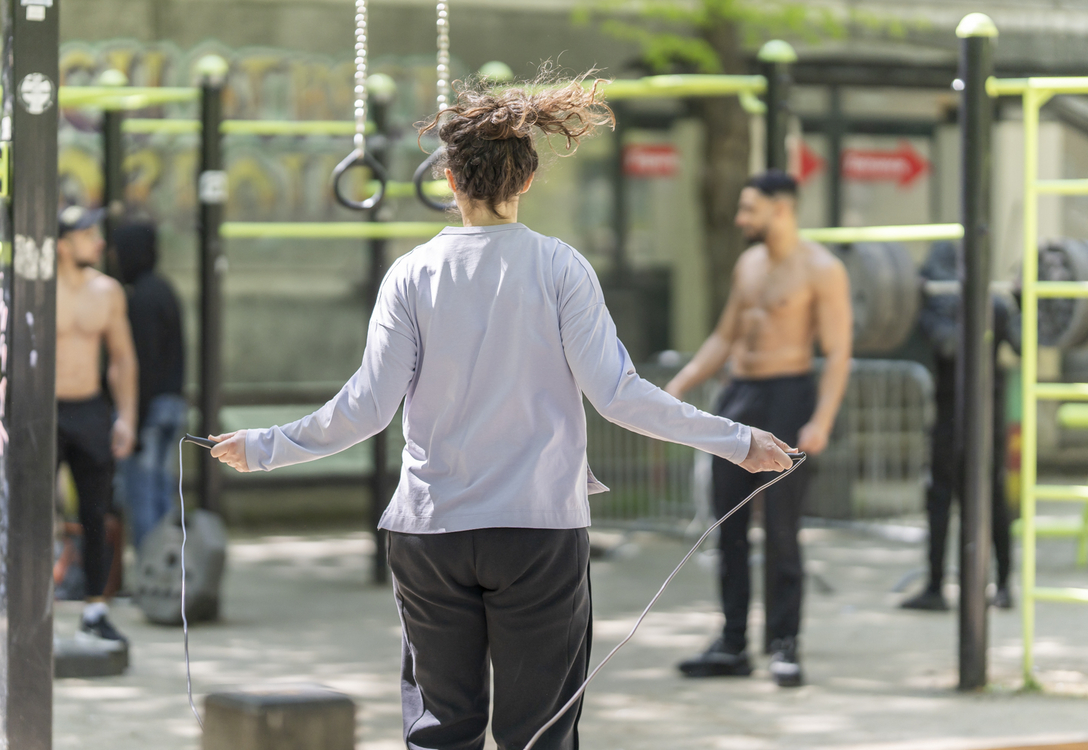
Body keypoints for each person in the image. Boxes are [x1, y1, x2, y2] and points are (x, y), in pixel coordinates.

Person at [205, 77, 795, 750]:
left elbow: (365, 408)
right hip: (538, 531)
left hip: (430, 531)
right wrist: (737, 440)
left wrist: (262, 446)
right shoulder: (560, 267)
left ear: (450, 178)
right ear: (530, 176)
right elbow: (619, 395)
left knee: (440, 732)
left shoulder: (412, 274)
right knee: (539, 734)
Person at [665, 170, 852, 688]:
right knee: (728, 528)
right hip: (738, 397)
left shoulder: (821, 269)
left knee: (782, 532)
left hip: (789, 396)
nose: (740, 218)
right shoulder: (748, 263)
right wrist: (678, 384)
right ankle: (732, 643)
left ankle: (784, 644)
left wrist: (821, 420)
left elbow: (838, 354)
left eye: (750, 209)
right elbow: (725, 335)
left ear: (782, 209)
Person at [0, 205, 138, 643]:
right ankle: (29, 611)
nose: (99, 241)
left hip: (89, 408)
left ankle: (94, 610)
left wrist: (126, 416)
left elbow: (123, 358)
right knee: (32, 512)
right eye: (89, 233)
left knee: (95, 512)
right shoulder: (32, 290)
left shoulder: (106, 291)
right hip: (40, 408)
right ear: (64, 243)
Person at [900, 240, 1018, 611]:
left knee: (992, 499)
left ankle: (1003, 583)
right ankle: (936, 585)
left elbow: (1022, 344)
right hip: (950, 418)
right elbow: (948, 344)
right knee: (939, 498)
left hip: (986, 417)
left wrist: (1022, 302)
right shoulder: (937, 312)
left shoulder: (994, 306)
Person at [112, 220, 185, 551]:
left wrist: (134, 424)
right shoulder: (164, 290)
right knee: (162, 491)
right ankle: (169, 566)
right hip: (172, 405)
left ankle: (150, 568)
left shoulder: (140, 299)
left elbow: (142, 366)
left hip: (150, 410)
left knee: (141, 492)